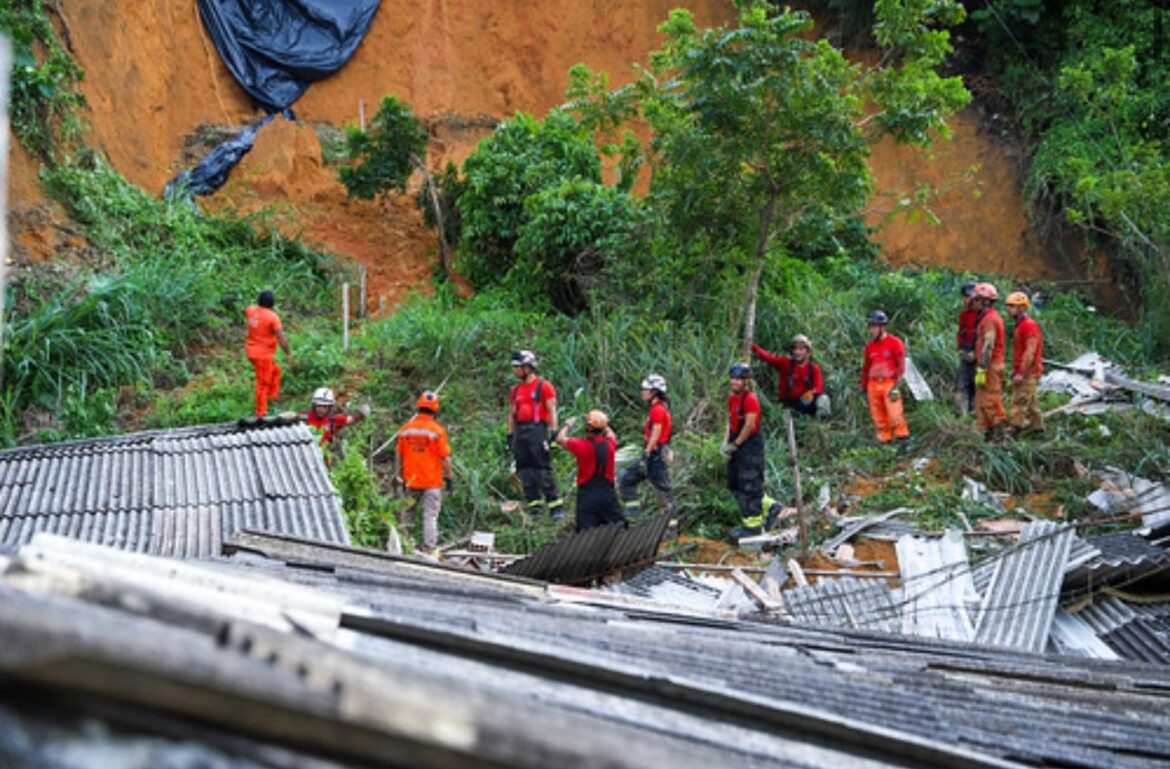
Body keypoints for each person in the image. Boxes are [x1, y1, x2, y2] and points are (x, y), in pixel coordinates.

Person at [505, 350, 564, 519]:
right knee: (524, 471)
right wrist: (510, 435)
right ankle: (535, 507)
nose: (515, 371)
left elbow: (552, 410)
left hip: (537, 430)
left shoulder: (543, 386)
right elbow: (511, 414)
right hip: (521, 432)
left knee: (542, 469)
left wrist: (553, 433)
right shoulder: (515, 390)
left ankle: (555, 507)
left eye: (518, 367)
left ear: (528, 367)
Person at [395, 391, 452, 554]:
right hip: (432, 481)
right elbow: (445, 458)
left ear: (418, 406)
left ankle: (403, 543)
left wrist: (399, 474)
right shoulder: (437, 431)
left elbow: (399, 454)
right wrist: (449, 478)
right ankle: (428, 548)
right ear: (435, 409)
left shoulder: (406, 429)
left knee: (406, 512)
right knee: (430, 516)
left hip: (411, 479)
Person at [555, 410, 626, 532]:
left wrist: (568, 424)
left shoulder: (581, 446)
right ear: (603, 430)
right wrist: (603, 423)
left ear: (587, 429)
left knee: (586, 533)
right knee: (618, 528)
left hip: (587, 496)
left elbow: (560, 439)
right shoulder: (610, 445)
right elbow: (612, 435)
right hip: (608, 494)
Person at [618, 374, 674, 520]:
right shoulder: (657, 408)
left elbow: (656, 433)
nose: (643, 392)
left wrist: (647, 453)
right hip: (654, 454)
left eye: (645, 389)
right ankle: (633, 515)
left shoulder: (658, 410)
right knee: (626, 478)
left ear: (654, 392)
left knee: (663, 492)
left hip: (656, 456)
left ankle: (670, 527)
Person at [722, 363, 765, 529]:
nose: (735, 382)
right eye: (733, 378)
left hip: (749, 446)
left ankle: (753, 527)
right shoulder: (732, 397)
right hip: (736, 443)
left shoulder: (750, 400)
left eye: (739, 379)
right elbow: (730, 421)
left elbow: (749, 425)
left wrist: (735, 445)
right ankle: (769, 507)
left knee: (750, 484)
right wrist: (726, 442)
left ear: (746, 381)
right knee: (735, 483)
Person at [860, 310, 910, 444]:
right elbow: (866, 368)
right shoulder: (869, 347)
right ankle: (885, 441)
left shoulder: (895, 342)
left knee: (895, 414)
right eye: (871, 326)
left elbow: (901, 366)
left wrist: (897, 385)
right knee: (878, 417)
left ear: (883, 327)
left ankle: (902, 439)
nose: (872, 330)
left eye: (874, 326)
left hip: (889, 383)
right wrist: (864, 388)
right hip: (873, 384)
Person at [752, 334, 830, 417]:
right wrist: (754, 346)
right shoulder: (785, 363)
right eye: (795, 349)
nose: (797, 352)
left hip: (804, 402)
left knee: (823, 399)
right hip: (788, 404)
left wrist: (811, 393)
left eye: (801, 349)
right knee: (786, 413)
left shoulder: (814, 368)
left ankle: (820, 422)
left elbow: (818, 387)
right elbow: (768, 357)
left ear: (808, 351)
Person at [244, 290, 293, 417]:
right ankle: (261, 412)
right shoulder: (272, 317)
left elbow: (247, 309)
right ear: (273, 304)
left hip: (252, 351)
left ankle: (271, 398)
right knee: (263, 383)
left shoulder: (251, 310)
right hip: (262, 355)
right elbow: (281, 337)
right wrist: (288, 353)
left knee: (275, 371)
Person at [1005, 291, 1044, 435]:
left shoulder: (1029, 326)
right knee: (1031, 401)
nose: (1009, 309)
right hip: (1025, 370)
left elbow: (1030, 352)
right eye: (1008, 306)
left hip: (1029, 371)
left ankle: (1015, 428)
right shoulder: (1020, 325)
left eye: (1012, 306)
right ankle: (1037, 428)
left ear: (1022, 308)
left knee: (1019, 400)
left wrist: (1021, 373)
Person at [973, 283, 1007, 441]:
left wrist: (982, 368)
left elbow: (989, 344)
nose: (974, 303)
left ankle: (1000, 435)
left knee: (990, 401)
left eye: (977, 300)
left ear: (985, 301)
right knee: (981, 400)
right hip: (989, 366)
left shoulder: (990, 320)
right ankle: (987, 435)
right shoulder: (988, 317)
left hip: (990, 367)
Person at [301, 387, 370, 465]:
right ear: (314, 405)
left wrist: (361, 414)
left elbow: (351, 420)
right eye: (319, 406)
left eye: (325, 407)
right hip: (304, 459)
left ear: (329, 407)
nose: (321, 409)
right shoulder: (303, 418)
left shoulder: (332, 420)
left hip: (323, 463)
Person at [956, 281, 980, 416]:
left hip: (979, 354)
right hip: (966, 351)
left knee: (976, 386)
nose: (966, 300)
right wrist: (960, 348)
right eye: (965, 297)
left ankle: (974, 413)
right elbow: (961, 332)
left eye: (968, 297)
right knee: (962, 384)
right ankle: (960, 415)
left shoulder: (983, 315)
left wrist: (977, 353)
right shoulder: (964, 314)